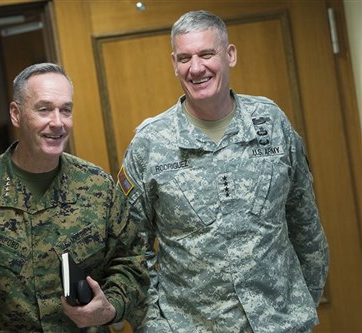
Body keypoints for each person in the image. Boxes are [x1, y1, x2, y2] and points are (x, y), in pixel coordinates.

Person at [117, 10, 329, 333]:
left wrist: (299, 308)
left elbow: (306, 225)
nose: (196, 67)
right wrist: (154, 326)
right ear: (174, 63)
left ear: (229, 55)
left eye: (206, 54)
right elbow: (132, 249)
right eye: (185, 57)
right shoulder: (150, 144)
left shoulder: (271, 124)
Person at [0, 63, 149, 332]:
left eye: (65, 110)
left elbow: (131, 264)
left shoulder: (98, 186)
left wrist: (108, 308)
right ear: (16, 115)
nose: (58, 122)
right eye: (44, 109)